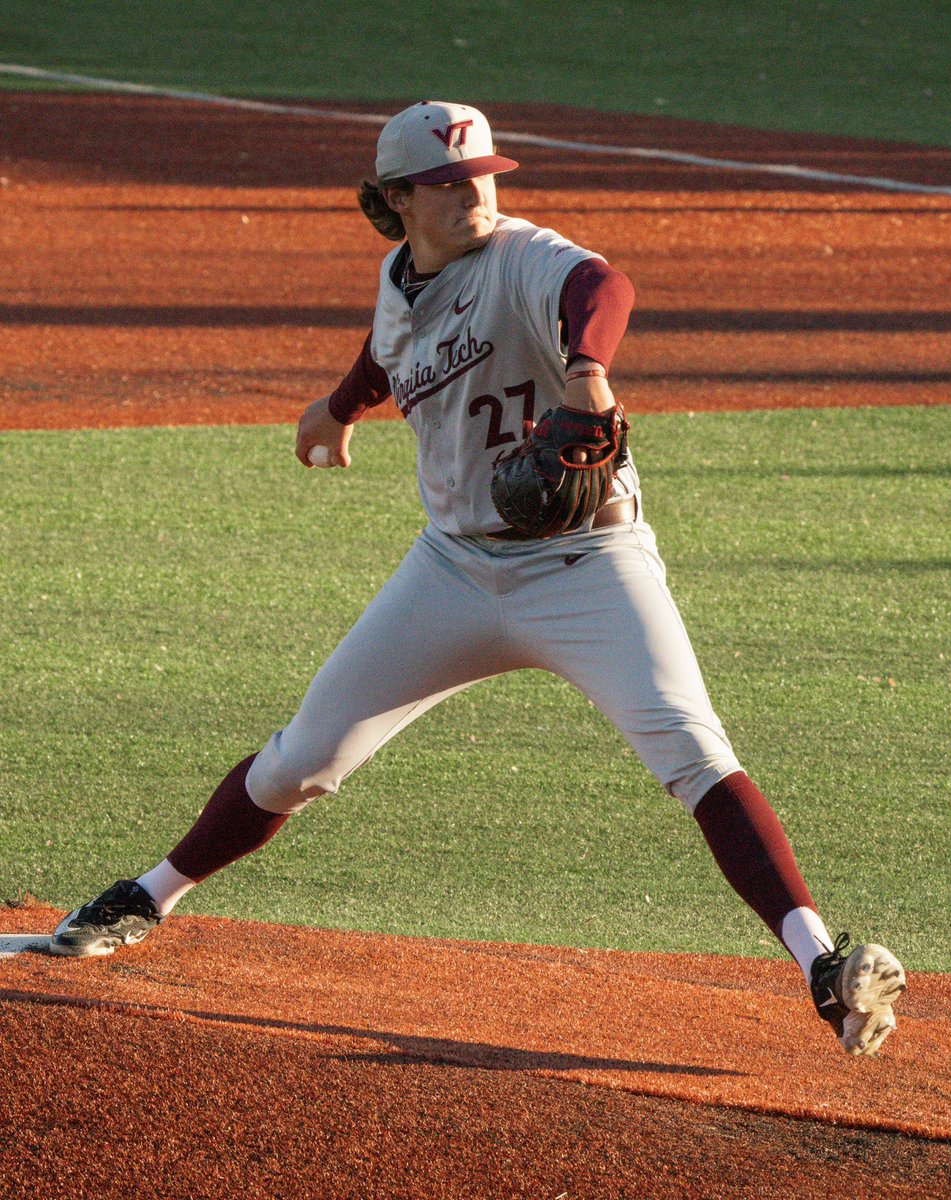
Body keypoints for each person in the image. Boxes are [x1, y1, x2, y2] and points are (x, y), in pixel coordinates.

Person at [51, 101, 906, 1056]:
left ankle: (823, 966)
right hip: (453, 569)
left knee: (692, 750)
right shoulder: (399, 273)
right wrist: (336, 411)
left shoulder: (523, 255)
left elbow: (603, 283)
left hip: (588, 566)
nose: (475, 194)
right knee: (302, 761)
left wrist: (586, 369)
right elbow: (393, 348)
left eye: (485, 175)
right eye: (451, 183)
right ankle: (150, 895)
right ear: (396, 200)